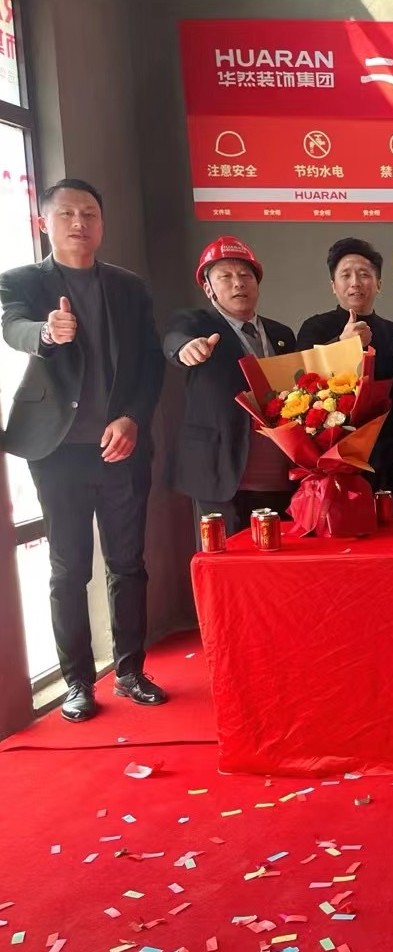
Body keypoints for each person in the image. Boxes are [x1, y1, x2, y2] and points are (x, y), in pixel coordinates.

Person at [0, 178, 165, 721]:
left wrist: (132, 418)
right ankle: (77, 682)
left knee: (128, 563)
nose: (79, 223)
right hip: (59, 451)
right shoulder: (22, 280)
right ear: (43, 222)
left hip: (122, 445)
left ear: (101, 223)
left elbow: (150, 362)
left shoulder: (128, 287)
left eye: (90, 213)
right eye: (67, 213)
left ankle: (131, 671)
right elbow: (14, 327)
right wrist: (47, 333)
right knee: (69, 569)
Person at [165, 236, 298, 536]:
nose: (238, 283)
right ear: (208, 288)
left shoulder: (281, 334)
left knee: (278, 555)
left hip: (276, 471)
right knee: (225, 558)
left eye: (245, 275)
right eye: (225, 276)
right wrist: (185, 348)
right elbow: (174, 338)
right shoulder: (196, 324)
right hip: (220, 470)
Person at [297, 238, 393, 517]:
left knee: (391, 531)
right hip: (334, 460)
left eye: (364, 274)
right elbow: (304, 385)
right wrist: (343, 345)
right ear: (333, 286)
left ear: (378, 284)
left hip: (388, 456)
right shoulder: (315, 328)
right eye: (346, 275)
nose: (355, 282)